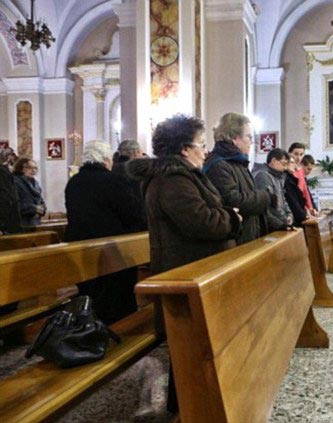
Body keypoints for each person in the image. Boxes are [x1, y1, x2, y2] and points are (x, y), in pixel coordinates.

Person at [127, 114, 242, 414]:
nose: (205, 151)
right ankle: (189, 409)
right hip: (184, 274)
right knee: (187, 350)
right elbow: (202, 222)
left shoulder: (184, 176)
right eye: (201, 145)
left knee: (192, 351)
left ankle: (195, 405)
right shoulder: (172, 180)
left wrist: (225, 215)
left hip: (194, 270)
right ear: (184, 149)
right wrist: (232, 218)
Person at [64, 140, 146, 324]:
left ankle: (88, 329)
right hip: (112, 249)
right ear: (106, 159)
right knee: (115, 298)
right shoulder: (114, 180)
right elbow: (131, 213)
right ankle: (119, 329)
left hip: (81, 248)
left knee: (89, 295)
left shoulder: (74, 182)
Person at [204, 112, 272, 245]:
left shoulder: (238, 163)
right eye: (248, 137)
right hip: (235, 240)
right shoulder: (218, 165)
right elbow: (233, 201)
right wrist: (265, 197)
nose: (251, 142)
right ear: (235, 138)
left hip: (247, 236)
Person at [254, 148, 293, 232]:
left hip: (281, 223)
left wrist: (289, 216)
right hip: (271, 226)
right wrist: (281, 223)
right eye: (284, 164)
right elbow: (267, 206)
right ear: (274, 160)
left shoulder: (278, 177)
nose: (285, 168)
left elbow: (283, 200)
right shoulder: (262, 176)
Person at [13, 158, 46, 227]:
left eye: (35, 168)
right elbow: (15, 204)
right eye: (29, 168)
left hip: (35, 222)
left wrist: (43, 208)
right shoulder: (15, 182)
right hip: (22, 222)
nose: (33, 170)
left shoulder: (36, 184)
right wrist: (35, 209)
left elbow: (41, 201)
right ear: (21, 168)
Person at [0, 146, 22, 235]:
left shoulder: (5, 170)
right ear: (9, 157)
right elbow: (6, 195)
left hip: (10, 215)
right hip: (7, 217)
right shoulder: (2, 171)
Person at [284, 157, 309, 227]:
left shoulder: (292, 179)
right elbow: (292, 200)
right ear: (286, 164)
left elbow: (303, 196)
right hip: (294, 218)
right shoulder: (286, 180)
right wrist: (303, 215)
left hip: (297, 216)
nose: (295, 166)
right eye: (292, 162)